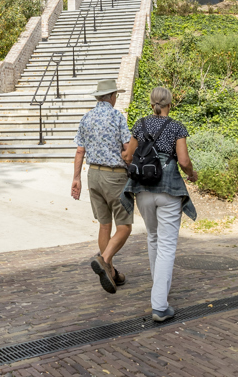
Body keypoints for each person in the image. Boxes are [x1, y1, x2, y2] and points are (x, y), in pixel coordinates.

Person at [121, 86, 198, 323]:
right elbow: (183, 160)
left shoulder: (139, 124)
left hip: (142, 189)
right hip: (168, 189)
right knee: (166, 245)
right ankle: (160, 306)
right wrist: (192, 174)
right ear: (169, 104)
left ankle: (159, 291)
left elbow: (127, 156)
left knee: (153, 238)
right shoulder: (176, 126)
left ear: (152, 102)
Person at [71, 78, 133, 295]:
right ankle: (104, 260)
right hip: (114, 176)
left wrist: (76, 178)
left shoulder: (86, 118)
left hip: (93, 176)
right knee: (124, 226)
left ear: (99, 97)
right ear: (112, 96)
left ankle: (112, 273)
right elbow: (127, 150)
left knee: (104, 225)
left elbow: (80, 151)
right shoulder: (117, 116)